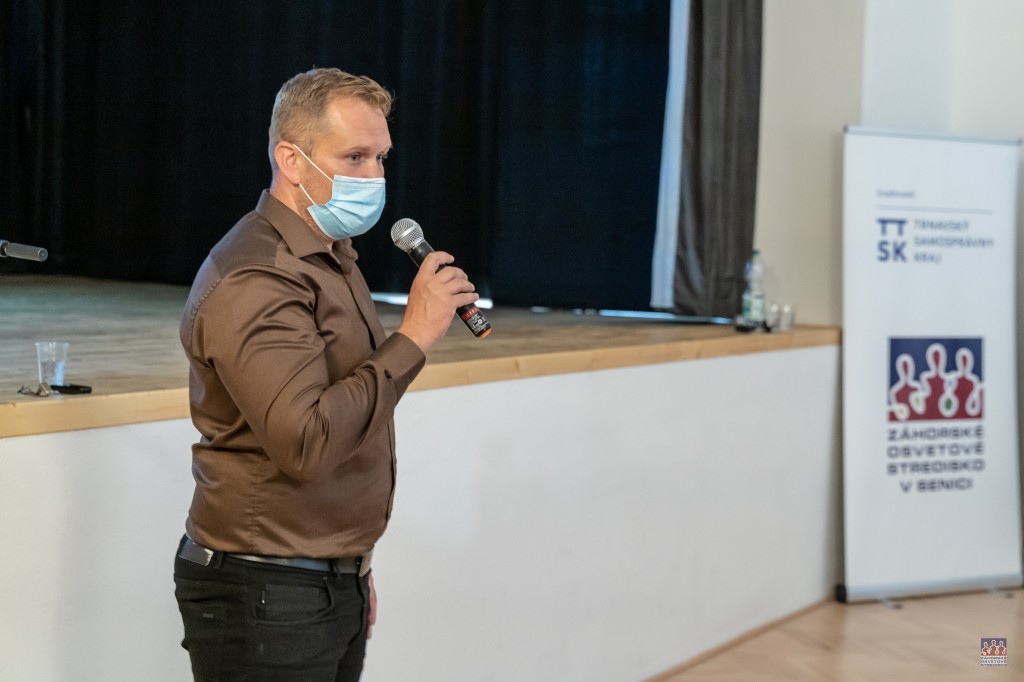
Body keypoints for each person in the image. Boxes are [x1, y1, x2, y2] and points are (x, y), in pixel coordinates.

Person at [173, 67, 479, 682]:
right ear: (291, 159)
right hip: (267, 592)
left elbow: (351, 417)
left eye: (381, 158)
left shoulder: (330, 257)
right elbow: (307, 440)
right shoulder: (257, 275)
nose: (375, 176)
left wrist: (351, 566)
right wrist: (414, 336)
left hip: (323, 579)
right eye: (355, 157)